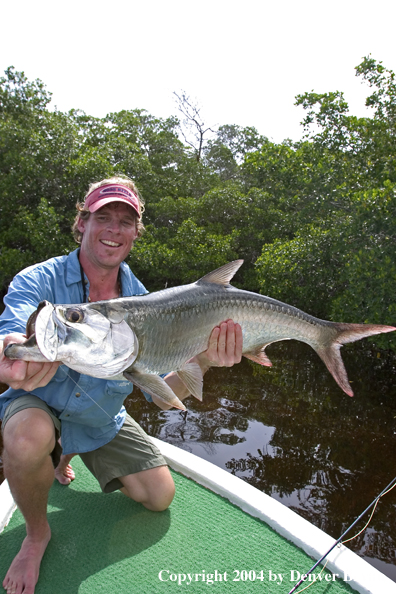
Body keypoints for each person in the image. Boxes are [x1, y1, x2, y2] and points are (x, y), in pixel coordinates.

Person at [0, 176, 243, 594]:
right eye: (103, 217)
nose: (114, 229)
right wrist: (11, 352)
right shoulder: (38, 279)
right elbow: (11, 333)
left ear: (135, 233)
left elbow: (160, 394)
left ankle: (65, 452)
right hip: (41, 404)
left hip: (101, 418)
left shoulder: (146, 302)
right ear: (82, 222)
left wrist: (203, 358)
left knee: (158, 497)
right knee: (27, 439)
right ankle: (37, 534)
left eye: (125, 221)